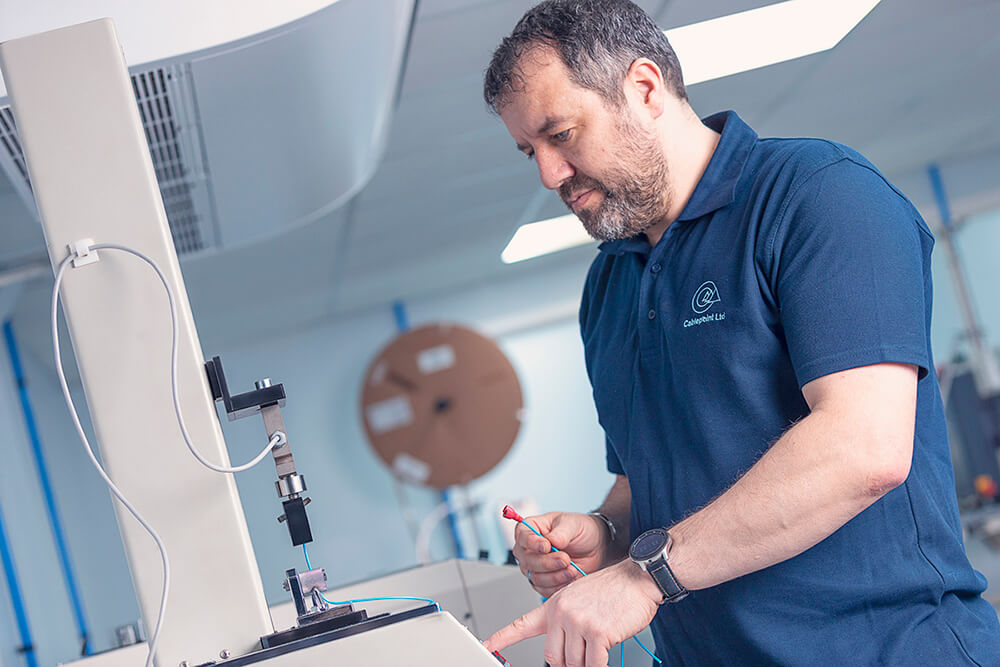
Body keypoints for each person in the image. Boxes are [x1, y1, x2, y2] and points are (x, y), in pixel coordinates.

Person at [479, 1, 1000, 665]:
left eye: (561, 134)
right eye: (531, 151)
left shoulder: (819, 196)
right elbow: (654, 476)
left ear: (643, 87)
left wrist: (644, 575)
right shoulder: (608, 285)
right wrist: (605, 530)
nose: (549, 174)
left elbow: (865, 447)